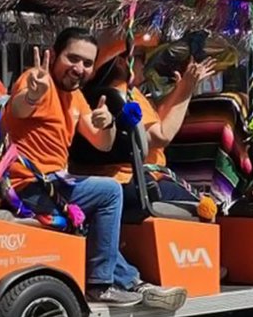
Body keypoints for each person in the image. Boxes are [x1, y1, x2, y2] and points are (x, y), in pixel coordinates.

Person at [2, 28, 187, 310]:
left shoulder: (76, 96)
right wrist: (31, 96)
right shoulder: (36, 80)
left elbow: (102, 143)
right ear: (54, 54)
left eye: (87, 63)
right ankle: (101, 285)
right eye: (72, 58)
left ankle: (133, 282)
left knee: (94, 220)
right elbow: (19, 109)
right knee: (110, 191)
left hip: (53, 185)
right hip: (28, 185)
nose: (79, 68)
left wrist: (107, 122)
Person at [79, 44, 217, 217]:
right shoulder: (125, 95)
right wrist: (187, 90)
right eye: (141, 57)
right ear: (123, 62)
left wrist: (181, 90)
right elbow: (161, 136)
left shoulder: (111, 92)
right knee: (207, 208)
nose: (145, 63)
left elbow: (157, 120)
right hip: (134, 180)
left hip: (124, 178)